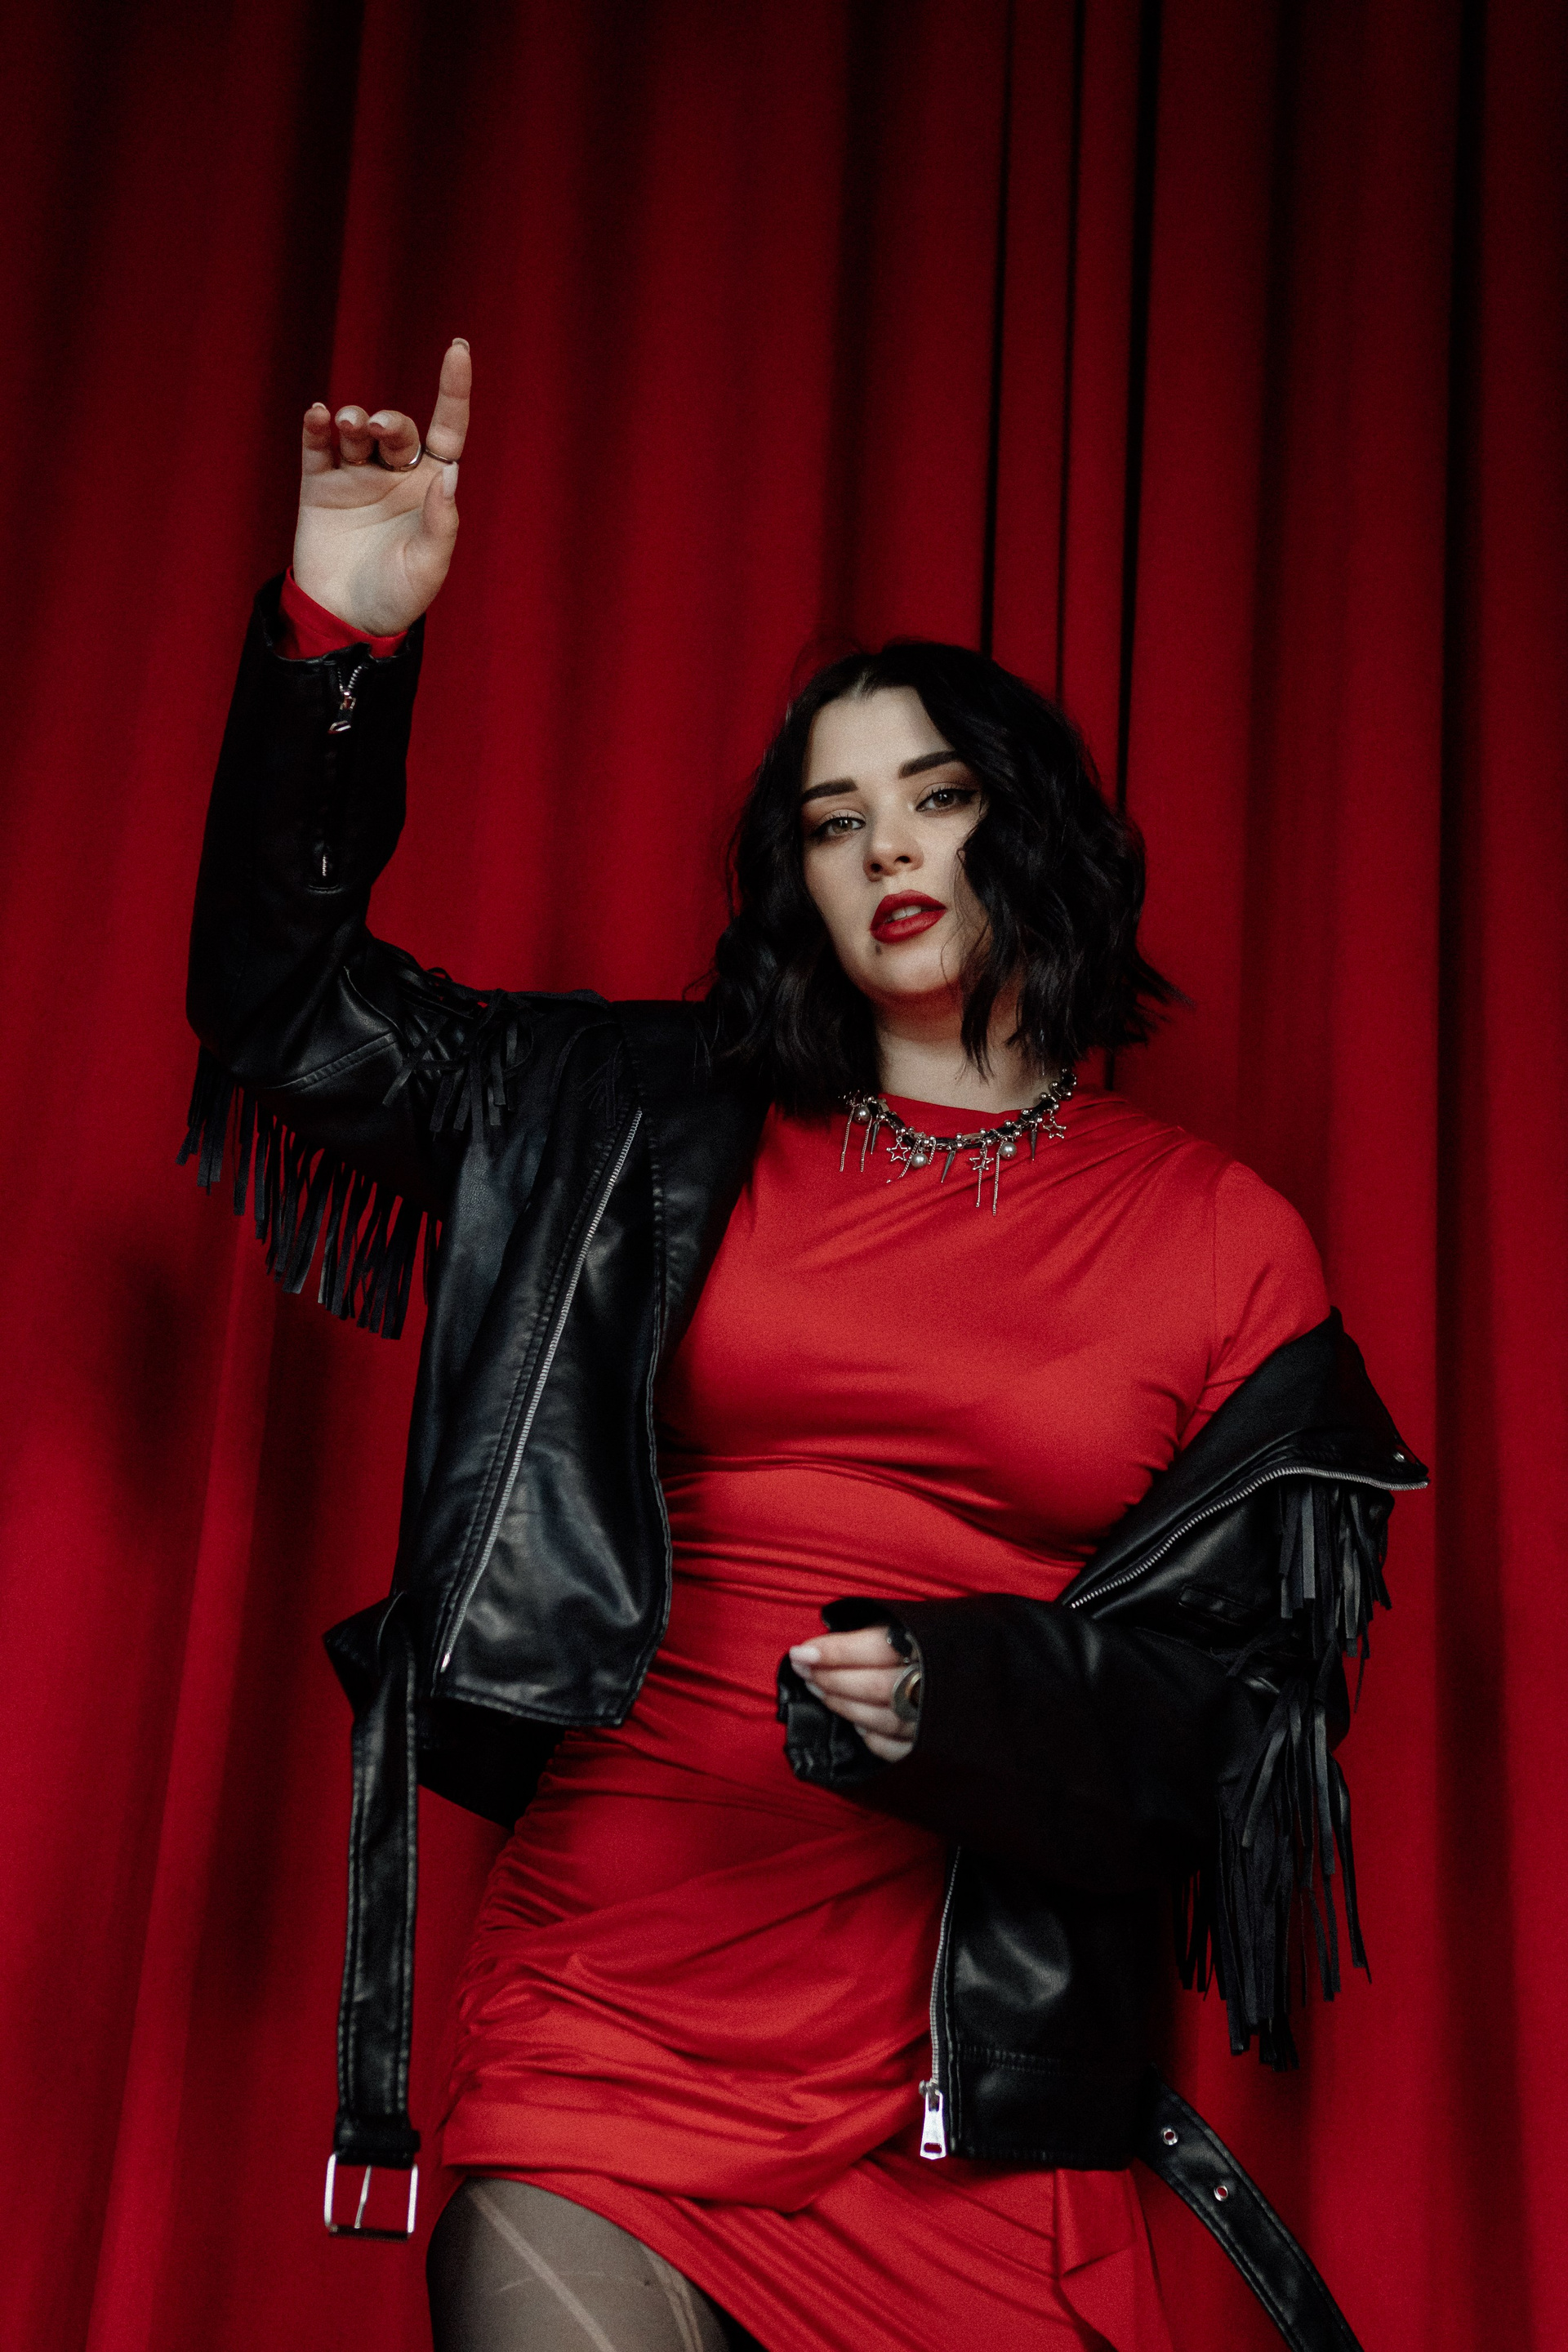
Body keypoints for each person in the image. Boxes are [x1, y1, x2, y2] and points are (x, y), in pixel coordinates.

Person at [182, 345, 1424, 2352]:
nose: (890, 851)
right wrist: (343, 640)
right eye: (836, 821)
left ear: (1034, 831)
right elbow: (281, 1012)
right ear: (800, 882)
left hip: (968, 2094)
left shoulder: (1222, 1240)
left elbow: (1239, 1742)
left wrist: (979, 1695)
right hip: (615, 1997)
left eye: (937, 797)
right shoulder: (634, 1121)